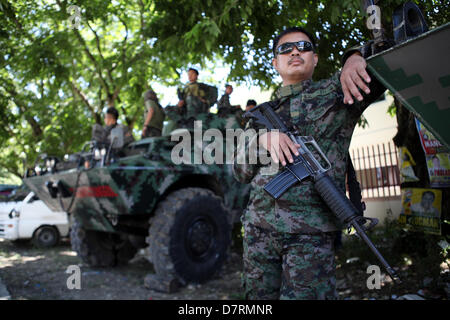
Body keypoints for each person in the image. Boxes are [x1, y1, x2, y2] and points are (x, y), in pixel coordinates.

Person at [232, 26, 386, 300]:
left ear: (315, 58)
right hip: (259, 232)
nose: (294, 52)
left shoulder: (337, 92)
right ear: (275, 63)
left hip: (311, 237)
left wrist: (354, 57)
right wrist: (261, 141)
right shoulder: (259, 116)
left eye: (304, 47)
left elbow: (386, 61)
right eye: (285, 49)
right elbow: (239, 172)